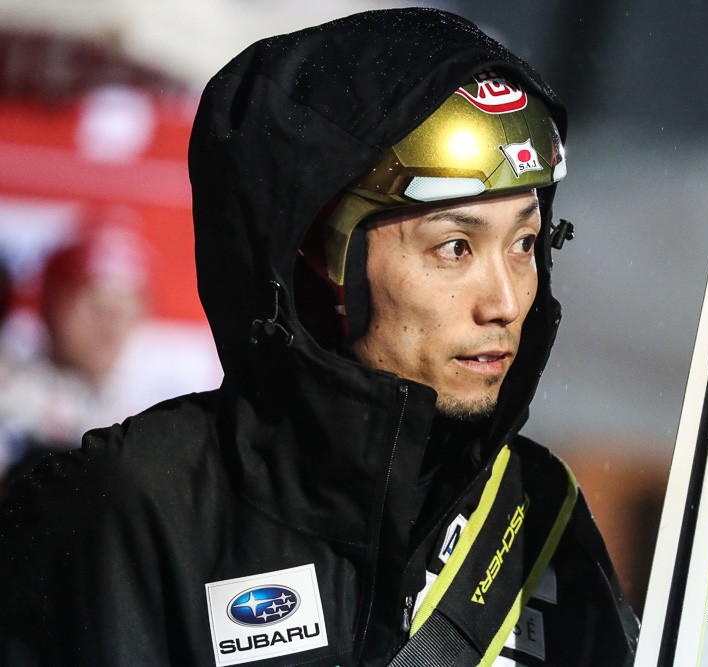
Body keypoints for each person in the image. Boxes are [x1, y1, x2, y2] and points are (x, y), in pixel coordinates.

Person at [0, 8, 638, 666]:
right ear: (322, 261)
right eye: (454, 247)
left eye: (526, 243)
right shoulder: (136, 506)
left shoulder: (537, 510)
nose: (504, 302)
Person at [0, 223, 148, 483]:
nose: (109, 327)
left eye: (122, 310)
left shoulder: (155, 416)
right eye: (96, 306)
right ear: (50, 305)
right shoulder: (10, 396)